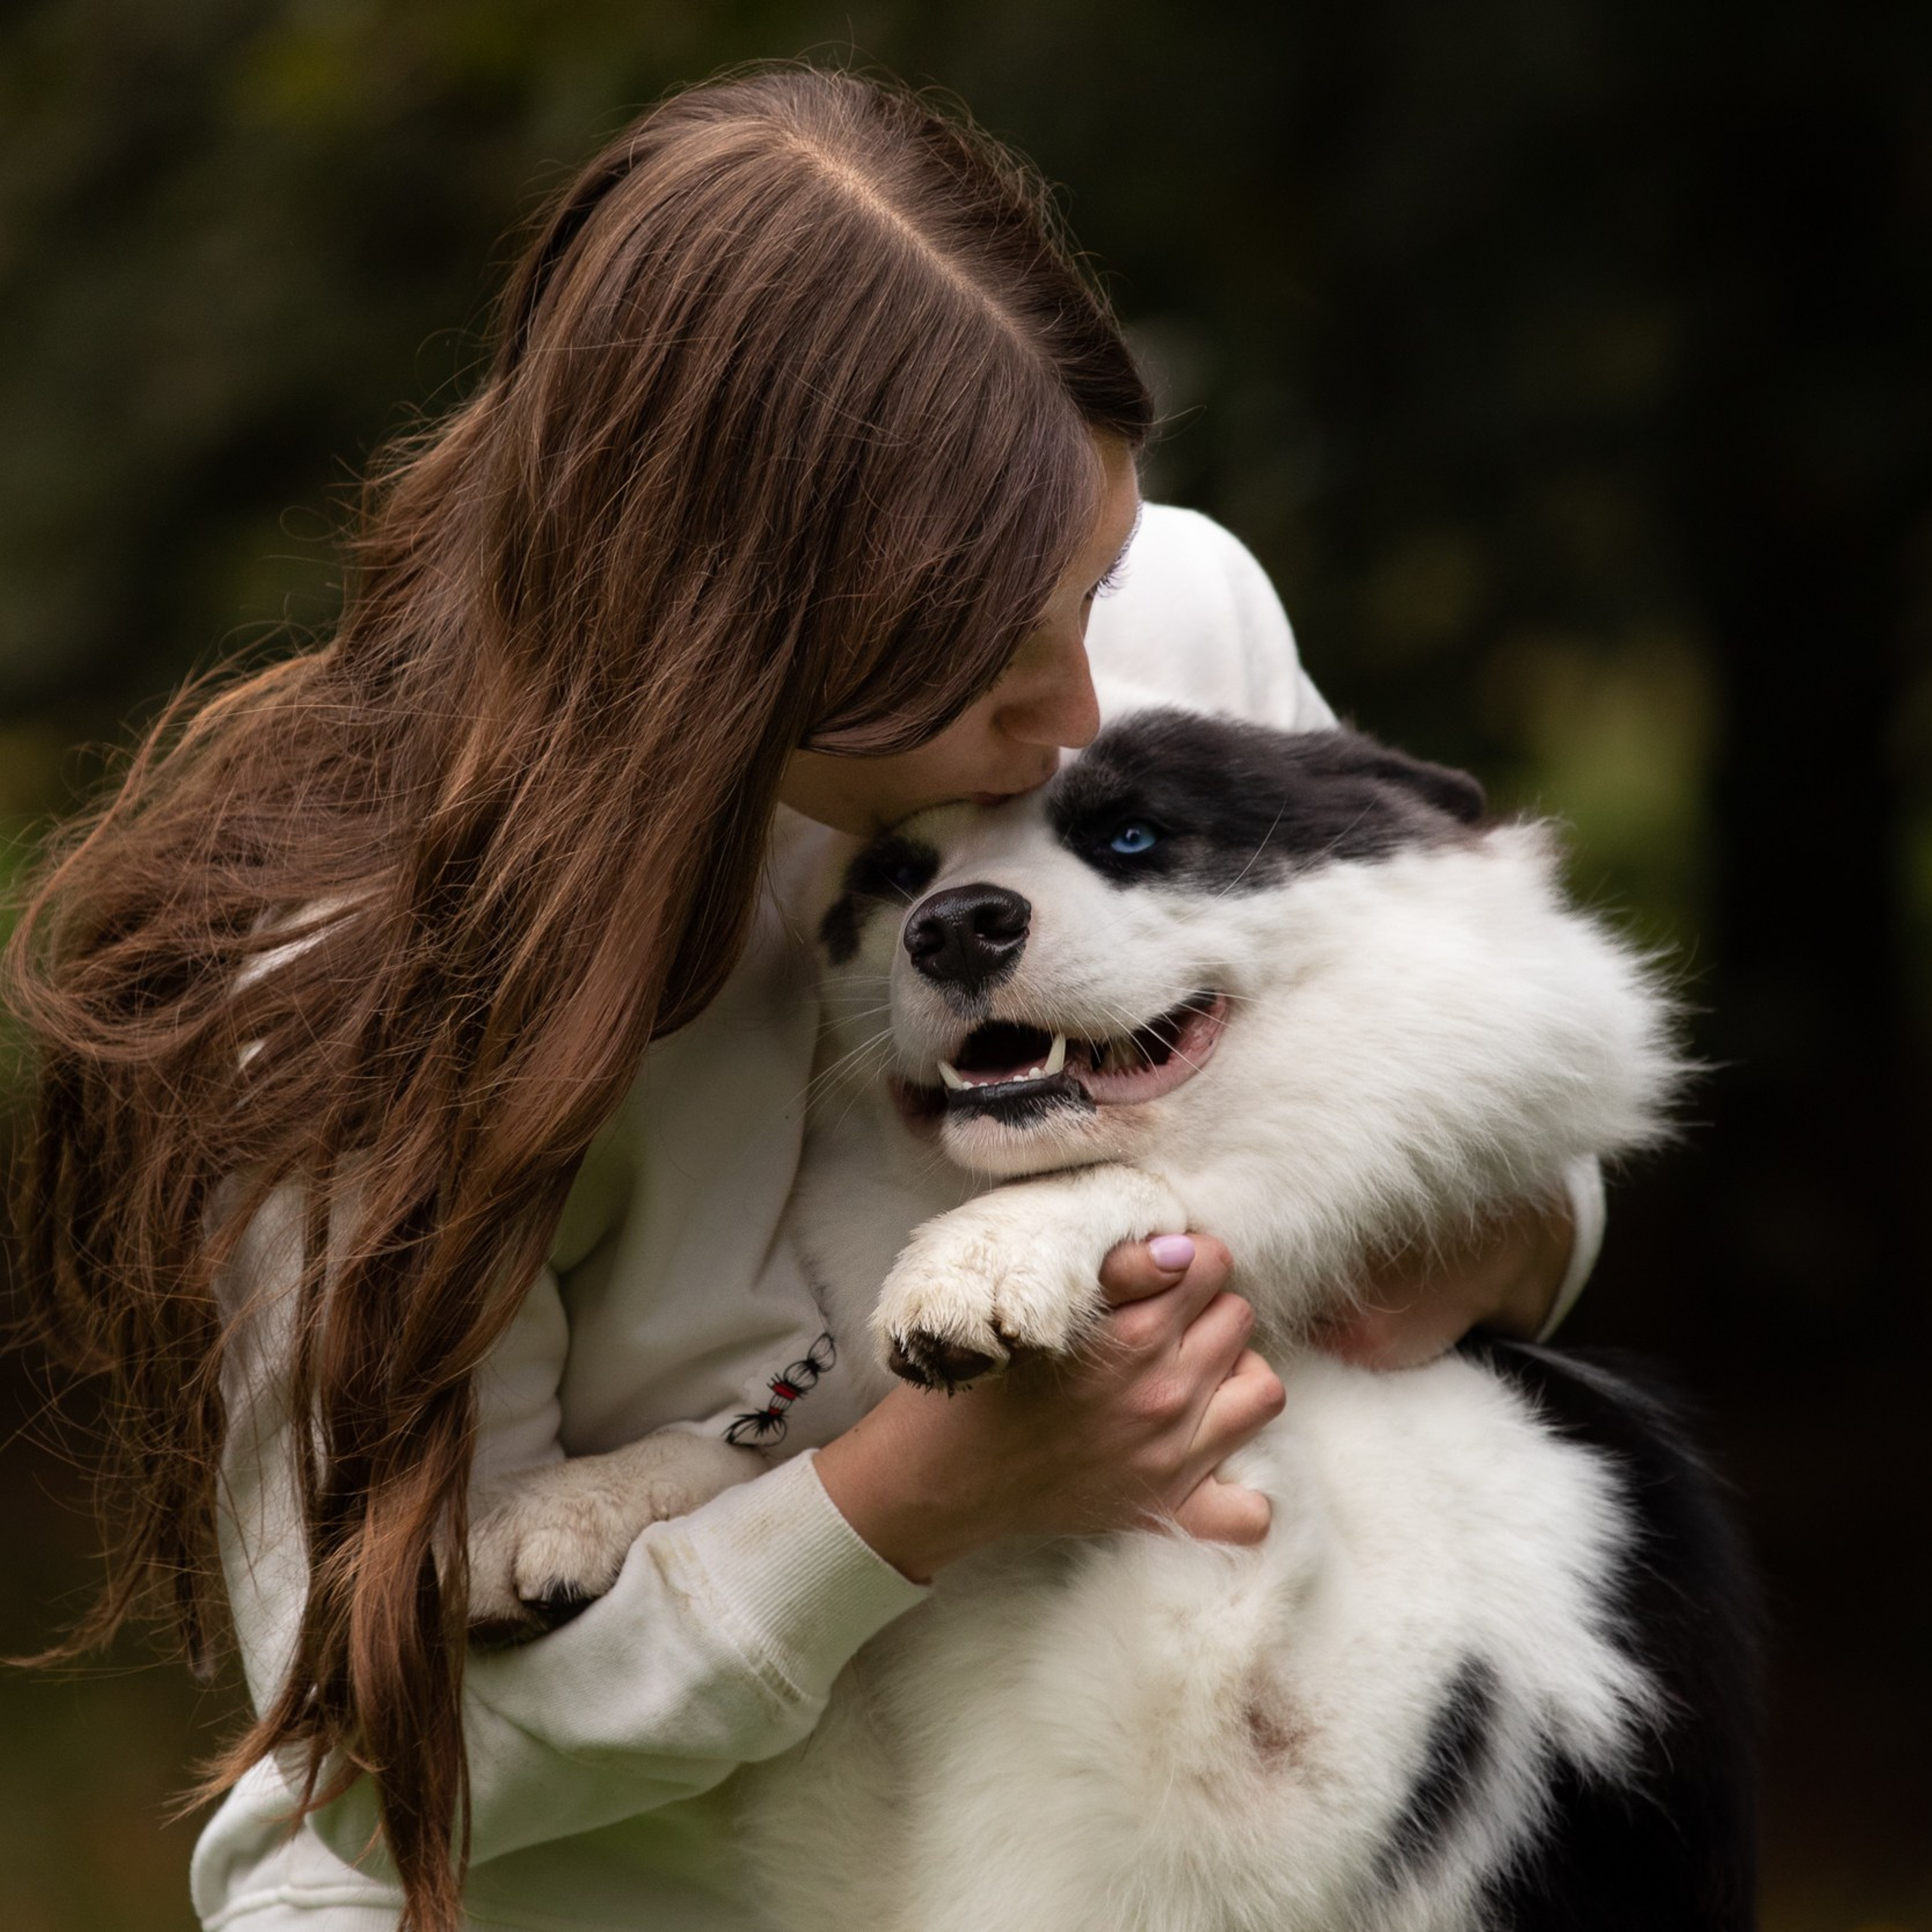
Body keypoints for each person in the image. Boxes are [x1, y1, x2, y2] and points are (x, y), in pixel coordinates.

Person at [5, 66, 1595, 1932]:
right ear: (734, 639)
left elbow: (1489, 1059)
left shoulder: (1165, 615)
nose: (1084, 710)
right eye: (998, 659)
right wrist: (909, 1497)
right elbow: (377, 1773)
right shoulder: (367, 977)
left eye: (1091, 581)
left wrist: (1474, 1239)